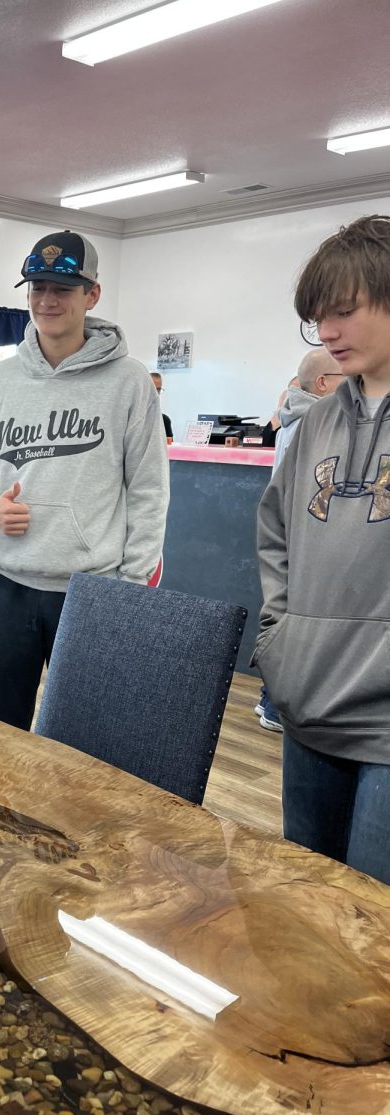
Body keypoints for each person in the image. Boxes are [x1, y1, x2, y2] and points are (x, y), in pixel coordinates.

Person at [0, 230, 169, 730]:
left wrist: (131, 586)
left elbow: (148, 491)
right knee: (1, 728)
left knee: (84, 732)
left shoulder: (129, 381)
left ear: (91, 294)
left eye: (62, 289)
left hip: (91, 590)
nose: (47, 300)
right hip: (5, 587)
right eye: (37, 288)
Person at [255, 214, 390, 884]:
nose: (326, 333)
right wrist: (280, 641)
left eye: (343, 311)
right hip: (308, 707)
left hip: (386, 731)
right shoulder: (319, 420)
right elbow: (276, 533)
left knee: (372, 934)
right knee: (304, 911)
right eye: (317, 319)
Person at [254, 351, 344, 734]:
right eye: (343, 374)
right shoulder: (318, 422)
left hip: (291, 534)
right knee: (298, 627)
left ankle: (268, 701)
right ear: (322, 382)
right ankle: (275, 707)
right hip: (304, 536)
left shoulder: (289, 417)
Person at [150, 372, 173, 441]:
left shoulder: (164, 420)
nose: (156, 394)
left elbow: (169, 447)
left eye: (158, 390)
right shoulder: (131, 418)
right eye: (153, 389)